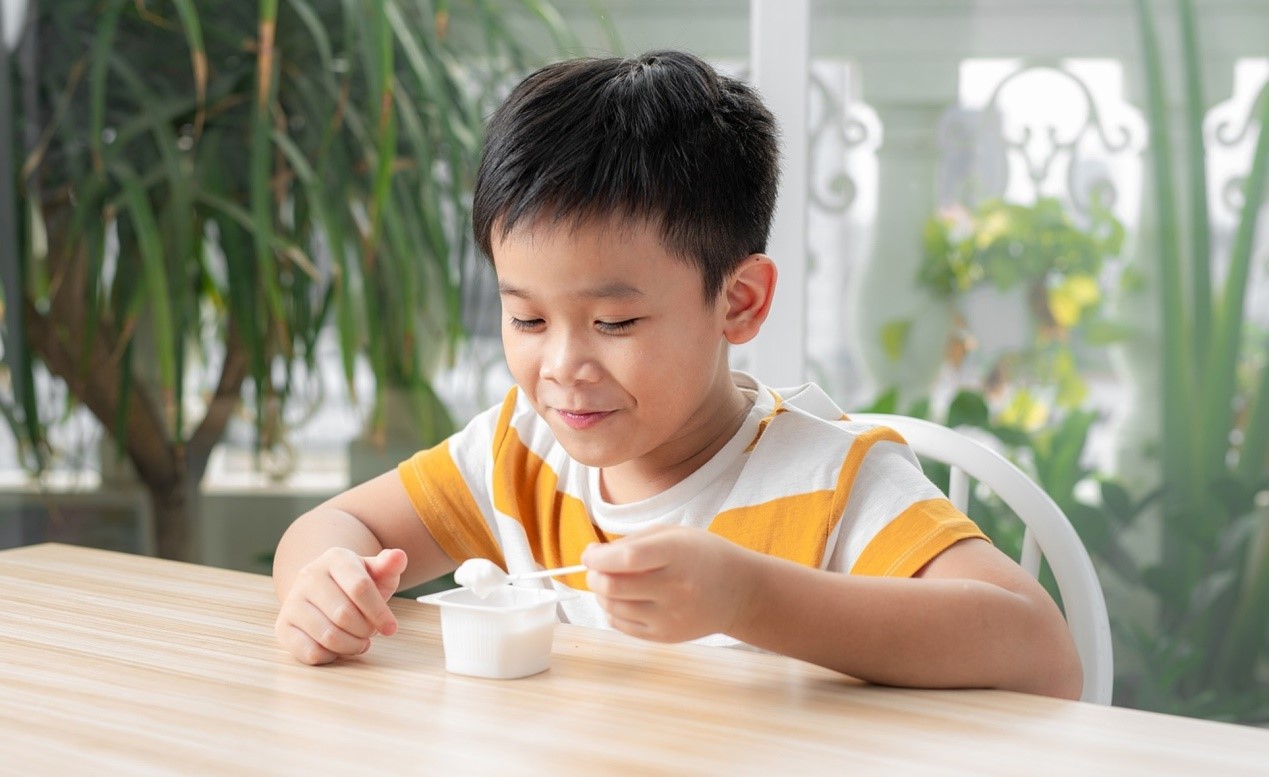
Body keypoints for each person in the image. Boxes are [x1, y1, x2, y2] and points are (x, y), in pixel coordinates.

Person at [272, 50, 1083, 699]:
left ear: (738, 302)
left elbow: (1041, 654)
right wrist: (325, 582)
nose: (560, 367)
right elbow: (341, 527)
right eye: (525, 318)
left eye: (614, 322)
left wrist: (747, 598)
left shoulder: (828, 481)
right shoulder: (516, 456)